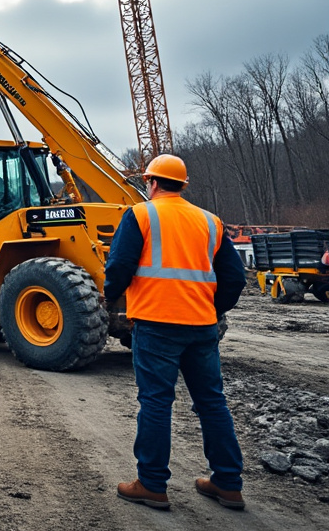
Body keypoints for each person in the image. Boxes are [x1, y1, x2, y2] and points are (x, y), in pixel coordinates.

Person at [102, 154, 248, 511]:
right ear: (182, 185)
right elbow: (235, 278)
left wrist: (110, 299)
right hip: (201, 326)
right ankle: (228, 484)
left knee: (155, 401)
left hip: (155, 324)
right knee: (212, 402)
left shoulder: (140, 214)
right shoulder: (210, 221)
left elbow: (119, 265)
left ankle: (152, 484)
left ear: (151, 183)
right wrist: (212, 310)